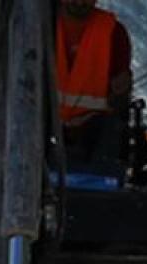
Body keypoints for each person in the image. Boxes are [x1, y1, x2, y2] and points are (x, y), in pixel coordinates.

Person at [55, 0, 133, 170]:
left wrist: (121, 91)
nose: (81, 2)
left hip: (95, 132)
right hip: (44, 128)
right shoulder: (38, 27)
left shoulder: (113, 32)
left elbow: (120, 93)